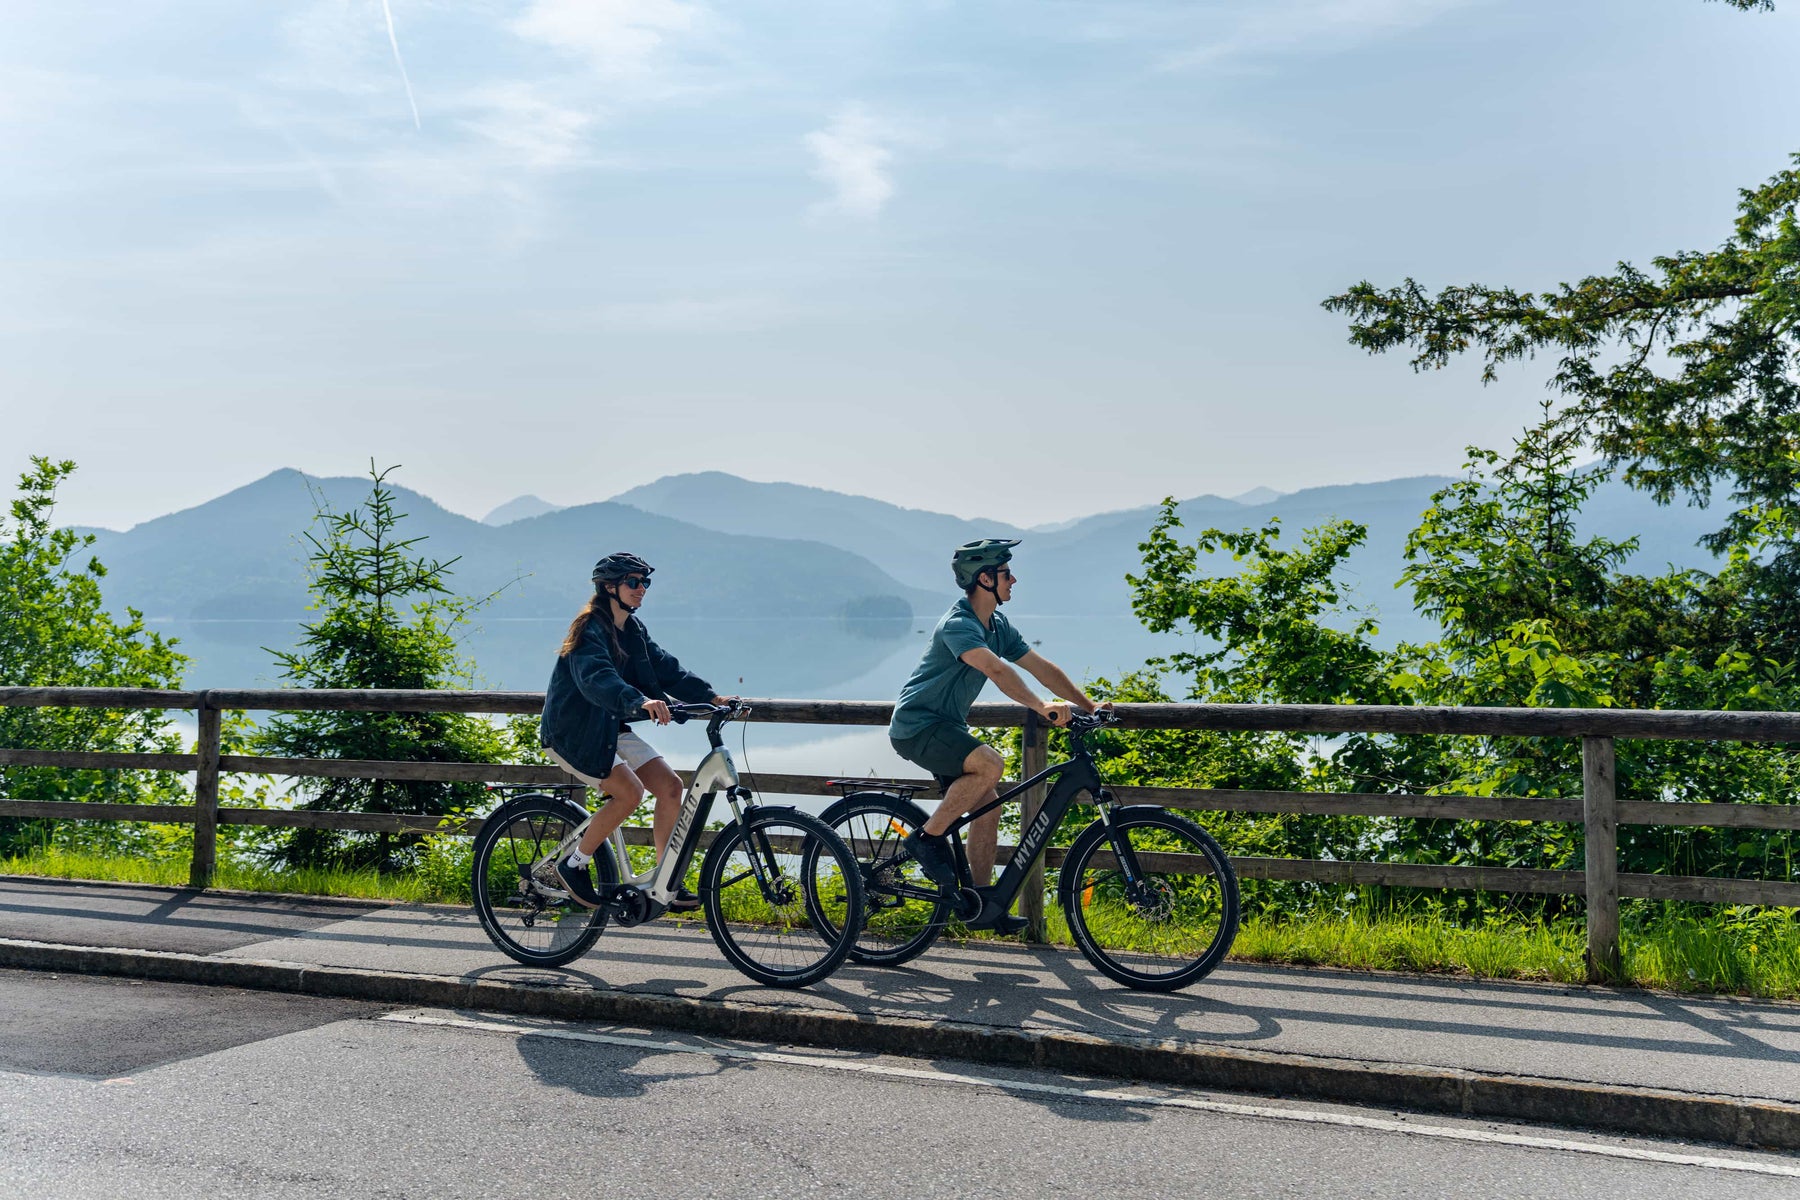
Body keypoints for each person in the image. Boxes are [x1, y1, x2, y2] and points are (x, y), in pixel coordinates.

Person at [889, 538, 1108, 933]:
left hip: (946, 728)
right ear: (985, 579)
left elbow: (1042, 667)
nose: (1014, 580)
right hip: (917, 726)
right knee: (991, 763)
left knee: (988, 806)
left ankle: (982, 903)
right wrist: (1042, 708)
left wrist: (1090, 707)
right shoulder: (959, 625)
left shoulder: (998, 625)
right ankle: (926, 839)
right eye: (1007, 574)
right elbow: (998, 671)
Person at [539, 552, 735, 910]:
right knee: (629, 793)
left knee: (671, 787)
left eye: (645, 582)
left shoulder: (632, 630)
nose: (641, 588)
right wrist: (639, 701)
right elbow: (598, 678)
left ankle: (665, 879)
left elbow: (667, 669)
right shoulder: (589, 629)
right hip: (574, 732)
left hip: (610, 726)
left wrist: (712, 697)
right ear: (609, 587)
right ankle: (574, 862)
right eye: (633, 582)